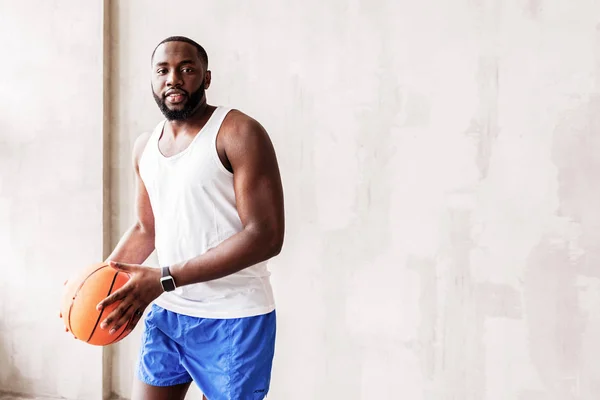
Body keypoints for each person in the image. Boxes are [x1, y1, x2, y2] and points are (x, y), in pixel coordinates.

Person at [95, 36, 285, 400]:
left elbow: (266, 236)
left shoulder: (239, 132)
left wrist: (164, 279)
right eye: (163, 70)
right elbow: (145, 228)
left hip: (234, 317)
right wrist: (97, 286)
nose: (173, 79)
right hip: (169, 313)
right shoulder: (145, 147)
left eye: (186, 69)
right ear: (151, 80)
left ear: (206, 78)